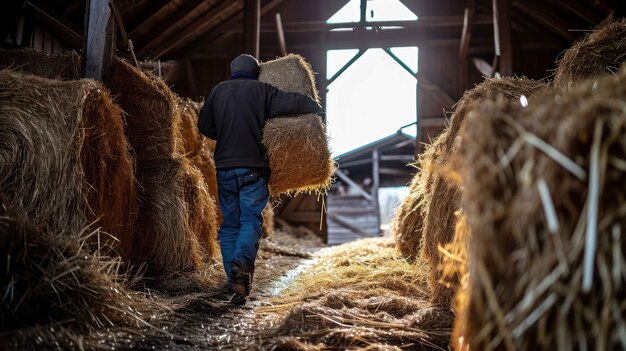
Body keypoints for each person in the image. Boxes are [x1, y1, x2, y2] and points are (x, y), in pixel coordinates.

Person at [197, 54, 323, 305]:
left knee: (230, 224)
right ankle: (242, 267)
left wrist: (224, 131)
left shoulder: (218, 91)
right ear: (255, 73)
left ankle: (233, 279)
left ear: (232, 71)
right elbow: (291, 102)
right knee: (251, 220)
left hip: (224, 168)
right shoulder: (262, 90)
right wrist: (313, 106)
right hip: (253, 168)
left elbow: (204, 126)